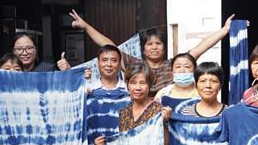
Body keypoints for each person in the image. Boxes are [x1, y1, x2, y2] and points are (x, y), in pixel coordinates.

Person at [69, 9, 237, 96]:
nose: (154, 47)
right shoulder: (135, 65)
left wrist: (224, 30)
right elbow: (109, 46)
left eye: (158, 43)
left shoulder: (175, 65)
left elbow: (200, 47)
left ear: (164, 47)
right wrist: (86, 27)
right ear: (143, 49)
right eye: (149, 44)